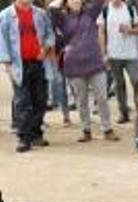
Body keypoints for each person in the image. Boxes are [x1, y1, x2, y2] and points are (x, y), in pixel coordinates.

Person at [52, 0, 120, 142]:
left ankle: (107, 128)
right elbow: (51, 10)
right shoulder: (62, 17)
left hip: (94, 61)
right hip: (74, 63)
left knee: (102, 97)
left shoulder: (90, 12)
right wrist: (60, 3)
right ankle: (86, 130)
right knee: (81, 100)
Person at [0, 0, 54, 153]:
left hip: (39, 63)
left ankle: (37, 134)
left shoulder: (41, 14)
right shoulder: (5, 16)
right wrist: (7, 64)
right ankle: (24, 138)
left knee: (40, 99)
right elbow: (1, 41)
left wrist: (46, 47)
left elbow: (50, 33)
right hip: (19, 64)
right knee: (22, 102)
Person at [98, 0, 138, 124]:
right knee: (119, 85)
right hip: (113, 54)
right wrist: (103, 53)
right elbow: (101, 32)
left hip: (131, 54)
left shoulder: (129, 8)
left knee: (137, 81)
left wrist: (130, 30)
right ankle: (123, 112)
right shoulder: (105, 10)